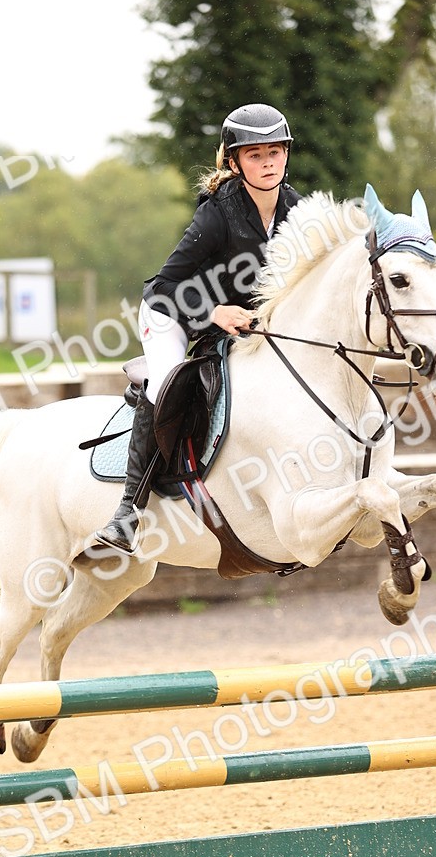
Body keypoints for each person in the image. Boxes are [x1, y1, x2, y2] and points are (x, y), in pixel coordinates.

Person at [94, 102, 301, 553]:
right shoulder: (217, 215)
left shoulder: (297, 211)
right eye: (255, 155)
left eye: (275, 153)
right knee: (166, 383)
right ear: (233, 162)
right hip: (172, 313)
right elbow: (162, 286)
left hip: (242, 323)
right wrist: (214, 313)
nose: (268, 164)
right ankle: (127, 511)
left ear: (287, 154)